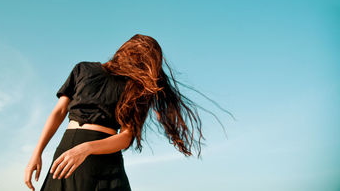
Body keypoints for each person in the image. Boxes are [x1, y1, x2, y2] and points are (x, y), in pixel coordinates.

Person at [24, 34, 234, 191]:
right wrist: (37, 152)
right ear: (126, 50)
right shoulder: (83, 69)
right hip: (68, 151)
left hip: (104, 153)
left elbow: (126, 137)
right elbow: (59, 112)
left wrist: (86, 149)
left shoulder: (137, 88)